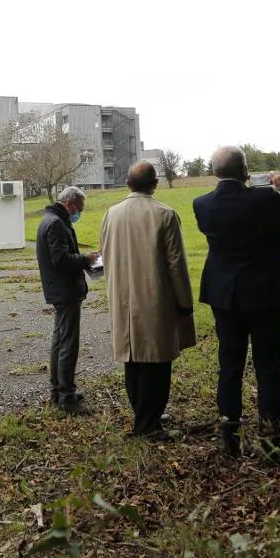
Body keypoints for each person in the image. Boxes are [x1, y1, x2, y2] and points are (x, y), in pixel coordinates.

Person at [194, 146, 280, 461]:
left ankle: (229, 440)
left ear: (215, 173)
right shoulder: (264, 200)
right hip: (267, 296)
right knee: (268, 368)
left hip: (225, 297)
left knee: (230, 367)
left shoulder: (202, 205)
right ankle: (271, 443)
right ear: (245, 170)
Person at [99, 161, 196, 439]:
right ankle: (148, 424)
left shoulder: (110, 214)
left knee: (133, 358)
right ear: (154, 184)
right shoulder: (164, 214)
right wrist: (184, 302)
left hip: (122, 298)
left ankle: (144, 415)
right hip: (156, 298)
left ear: (127, 183)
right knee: (158, 360)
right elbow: (176, 263)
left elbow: (105, 255)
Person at [36, 185, 100, 415]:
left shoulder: (52, 219)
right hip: (65, 291)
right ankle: (67, 396)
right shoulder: (55, 223)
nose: (79, 213)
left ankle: (58, 390)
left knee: (60, 340)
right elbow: (61, 260)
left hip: (61, 290)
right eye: (79, 208)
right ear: (71, 203)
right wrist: (86, 259)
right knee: (68, 343)